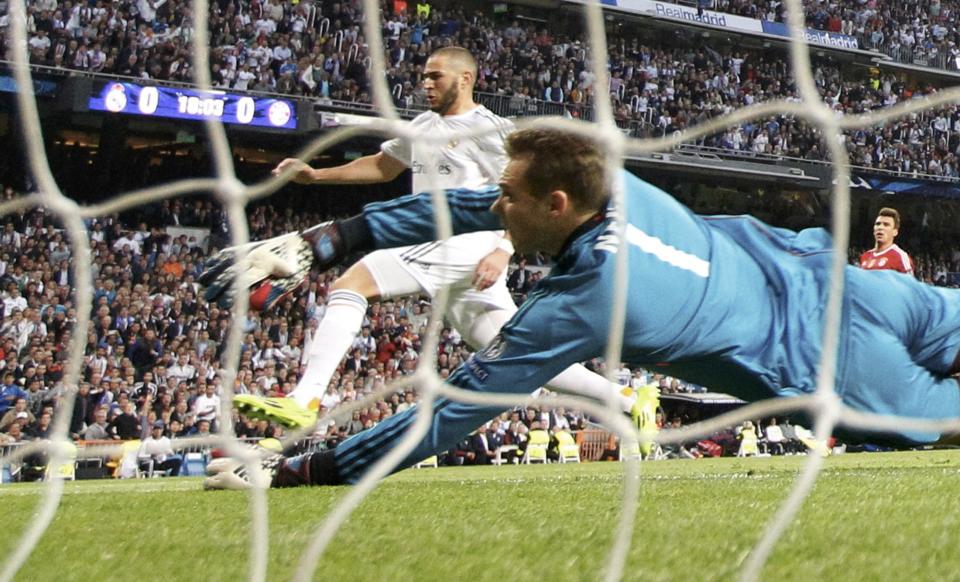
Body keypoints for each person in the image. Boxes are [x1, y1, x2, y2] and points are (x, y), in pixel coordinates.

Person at [204, 127, 960, 490]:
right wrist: (321, 244)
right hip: (850, 286)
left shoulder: (583, 300)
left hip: (835, 367)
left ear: (557, 203)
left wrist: (302, 473)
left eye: (510, 196)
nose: (496, 205)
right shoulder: (616, 183)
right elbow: (463, 203)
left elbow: (448, 414)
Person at [226, 46, 629, 429]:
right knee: (514, 352)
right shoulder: (422, 125)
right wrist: (316, 174)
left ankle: (305, 399)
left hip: (462, 243)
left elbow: (526, 194)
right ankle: (626, 400)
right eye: (424, 77)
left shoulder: (490, 130)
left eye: (436, 76)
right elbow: (383, 167)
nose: (426, 84)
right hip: (447, 252)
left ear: (465, 78)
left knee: (352, 283)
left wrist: (504, 248)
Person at [858, 207, 913, 276]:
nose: (880, 227)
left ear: (895, 232)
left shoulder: (901, 257)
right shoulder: (865, 256)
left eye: (886, 225)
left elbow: (909, 285)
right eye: (878, 224)